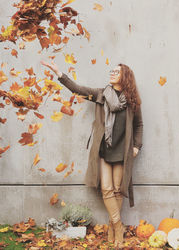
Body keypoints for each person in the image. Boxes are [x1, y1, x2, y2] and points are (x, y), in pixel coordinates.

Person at [40, 60, 143, 248]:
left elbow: (138, 125)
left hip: (122, 150)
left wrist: (137, 146)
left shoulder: (132, 100)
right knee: (106, 188)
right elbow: (78, 89)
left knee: (118, 189)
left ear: (125, 77)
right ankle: (118, 226)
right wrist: (59, 73)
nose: (111, 73)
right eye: (111, 70)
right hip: (104, 149)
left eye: (116, 72)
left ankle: (112, 227)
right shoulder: (101, 94)